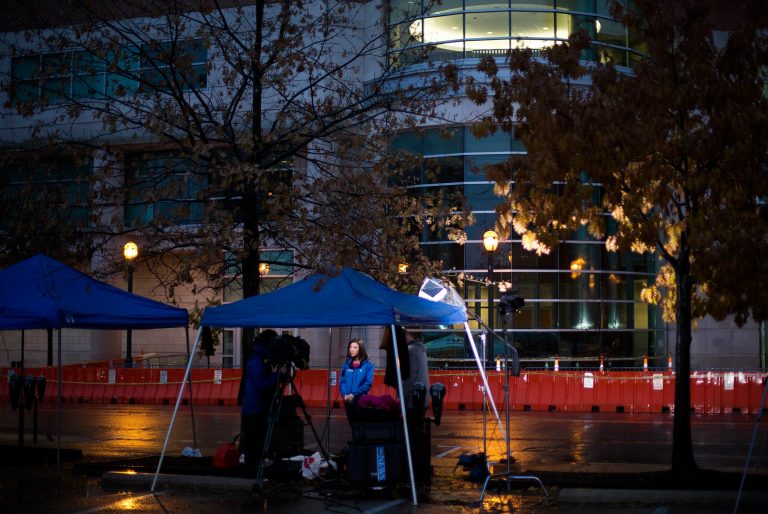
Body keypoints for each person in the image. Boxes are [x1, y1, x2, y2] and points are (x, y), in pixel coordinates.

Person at [241, 329, 279, 474]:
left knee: (255, 440)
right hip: (255, 408)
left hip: (255, 406)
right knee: (255, 440)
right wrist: (276, 376)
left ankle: (254, 465)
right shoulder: (257, 361)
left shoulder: (258, 357)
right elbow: (261, 384)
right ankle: (253, 468)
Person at [339, 337, 374, 412]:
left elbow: (368, 383)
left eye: (355, 347)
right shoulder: (346, 364)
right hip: (347, 400)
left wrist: (354, 394)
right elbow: (342, 381)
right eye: (350, 347)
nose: (352, 349)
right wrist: (344, 394)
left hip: (361, 400)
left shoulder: (368, 365)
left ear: (360, 349)